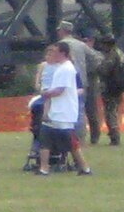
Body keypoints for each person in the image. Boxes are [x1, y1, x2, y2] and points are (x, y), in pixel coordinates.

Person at [36, 40, 93, 176]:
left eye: (55, 52)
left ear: (63, 53)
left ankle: (85, 168)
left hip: (63, 112)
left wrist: (45, 93)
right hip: (57, 111)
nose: (52, 54)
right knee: (45, 138)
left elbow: (60, 90)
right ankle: (44, 168)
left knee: (70, 142)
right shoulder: (61, 68)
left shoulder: (66, 69)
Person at [57, 20, 102, 144]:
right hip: (82, 81)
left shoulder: (59, 45)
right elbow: (97, 58)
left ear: (62, 31)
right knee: (81, 111)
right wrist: (89, 70)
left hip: (64, 82)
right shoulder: (81, 45)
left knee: (66, 110)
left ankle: (68, 138)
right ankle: (82, 138)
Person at [95, 34, 124, 146]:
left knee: (110, 113)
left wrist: (98, 67)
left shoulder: (112, 55)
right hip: (119, 87)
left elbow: (104, 70)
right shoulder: (120, 53)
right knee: (113, 111)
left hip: (111, 87)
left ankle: (114, 137)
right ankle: (114, 136)